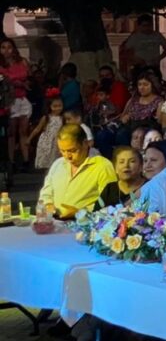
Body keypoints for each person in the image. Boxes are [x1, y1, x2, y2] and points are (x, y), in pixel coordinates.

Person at [39, 124, 116, 218]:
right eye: (62, 151)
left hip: (85, 224)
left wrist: (79, 212)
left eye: (72, 150)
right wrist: (48, 205)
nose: (67, 156)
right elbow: (46, 193)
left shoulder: (103, 166)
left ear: (85, 143)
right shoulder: (58, 164)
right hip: (54, 222)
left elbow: (110, 205)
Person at [0, 38, 32, 171]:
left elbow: (30, 77)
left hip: (23, 99)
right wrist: (17, 83)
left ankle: (26, 160)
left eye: (9, 47)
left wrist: (26, 83)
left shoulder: (22, 61)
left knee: (23, 131)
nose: (6, 50)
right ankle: (11, 161)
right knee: (11, 132)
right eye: (3, 47)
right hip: (10, 100)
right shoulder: (1, 65)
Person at [30, 94, 64, 170]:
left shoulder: (63, 118)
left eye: (60, 106)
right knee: (47, 163)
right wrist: (29, 138)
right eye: (55, 106)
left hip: (57, 143)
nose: (58, 108)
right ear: (50, 106)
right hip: (47, 143)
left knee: (56, 163)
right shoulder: (46, 117)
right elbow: (37, 129)